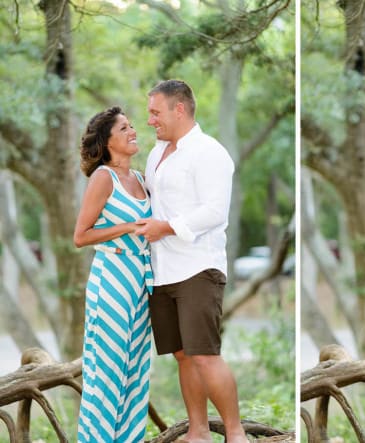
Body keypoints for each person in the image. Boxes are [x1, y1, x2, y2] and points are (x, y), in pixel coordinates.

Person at [139, 79, 247, 443]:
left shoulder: (209, 152)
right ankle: (198, 431)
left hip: (198, 267)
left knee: (205, 355)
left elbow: (214, 212)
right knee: (183, 355)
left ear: (179, 109)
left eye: (156, 112)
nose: (150, 120)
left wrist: (166, 228)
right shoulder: (156, 154)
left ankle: (235, 433)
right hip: (162, 270)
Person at [73, 106, 153, 442]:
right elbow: (81, 236)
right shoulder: (103, 178)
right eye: (123, 128)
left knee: (136, 368)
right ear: (107, 142)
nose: (133, 131)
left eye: (131, 126)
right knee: (106, 368)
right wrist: (127, 227)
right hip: (113, 278)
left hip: (142, 279)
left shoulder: (142, 179)